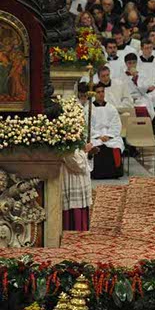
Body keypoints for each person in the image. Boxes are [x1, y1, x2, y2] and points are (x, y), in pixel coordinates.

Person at [62, 83, 92, 231]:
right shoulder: (66, 135)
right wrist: (84, 152)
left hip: (76, 165)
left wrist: (84, 149)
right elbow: (75, 161)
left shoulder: (74, 131)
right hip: (71, 173)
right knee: (73, 204)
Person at [89, 83, 124, 180]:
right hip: (95, 136)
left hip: (110, 136)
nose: (101, 94)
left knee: (116, 144)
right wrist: (98, 136)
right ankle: (95, 173)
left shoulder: (111, 108)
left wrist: (109, 135)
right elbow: (88, 126)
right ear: (94, 94)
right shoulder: (89, 108)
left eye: (102, 91)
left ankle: (115, 173)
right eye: (98, 92)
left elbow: (116, 125)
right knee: (93, 144)